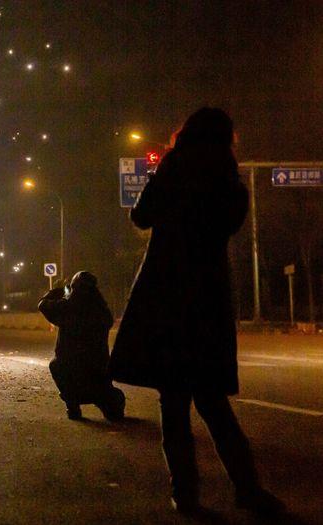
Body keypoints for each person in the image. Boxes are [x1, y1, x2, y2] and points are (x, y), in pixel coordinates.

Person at [109, 108, 284, 516]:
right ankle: (247, 489)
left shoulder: (170, 176)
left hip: (166, 299)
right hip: (206, 302)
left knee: (174, 405)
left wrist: (162, 180)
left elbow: (140, 216)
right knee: (214, 404)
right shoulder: (227, 184)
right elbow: (229, 224)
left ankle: (185, 494)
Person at [39, 271, 125, 421]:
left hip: (72, 370)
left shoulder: (68, 308)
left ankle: (73, 406)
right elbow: (107, 320)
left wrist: (57, 290)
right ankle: (108, 405)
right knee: (110, 400)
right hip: (98, 372)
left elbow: (43, 305)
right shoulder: (101, 311)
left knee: (56, 365)